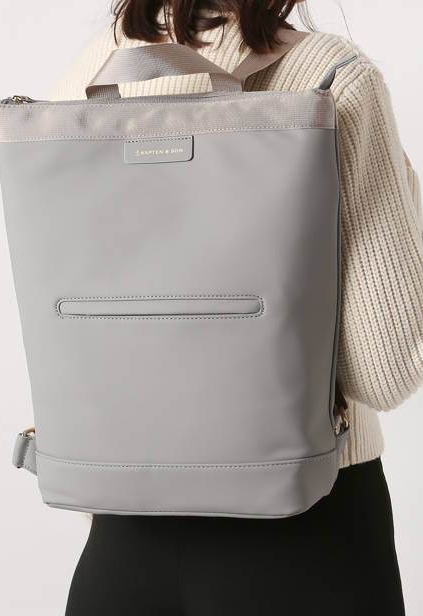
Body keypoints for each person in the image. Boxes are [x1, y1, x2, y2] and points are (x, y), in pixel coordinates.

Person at [50, 2, 423, 614]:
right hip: (308, 538)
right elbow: (387, 372)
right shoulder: (332, 77)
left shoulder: (94, 69)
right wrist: (404, 190)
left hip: (125, 545)